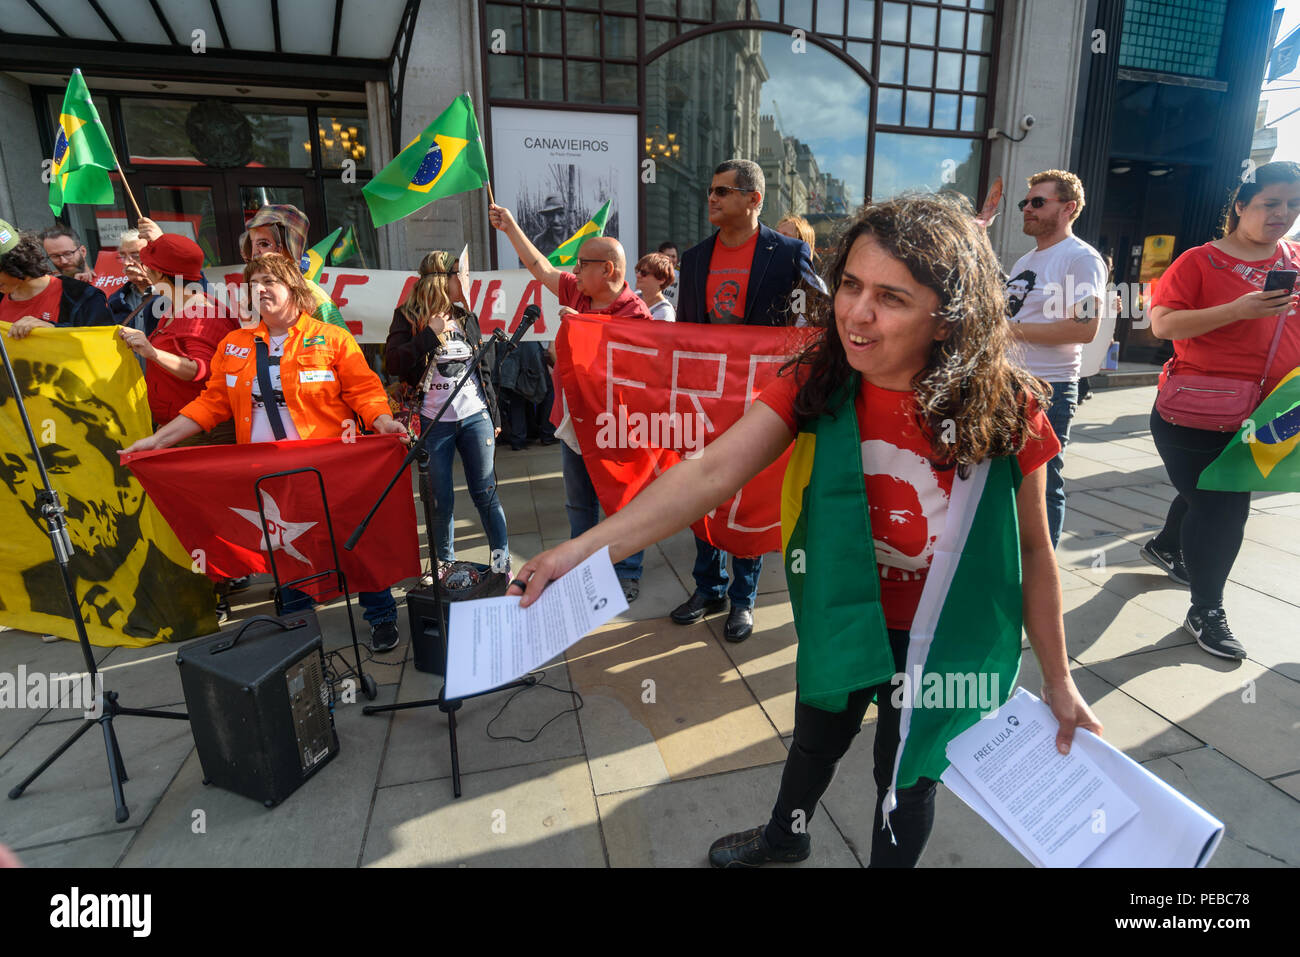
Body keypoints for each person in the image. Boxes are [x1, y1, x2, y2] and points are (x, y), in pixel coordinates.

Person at [506, 193, 1100, 867]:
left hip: (947, 636)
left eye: (892, 298)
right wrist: (578, 552)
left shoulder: (1007, 403)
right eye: (850, 285)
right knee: (815, 738)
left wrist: (1058, 676)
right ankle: (784, 835)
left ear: (946, 318)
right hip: (845, 607)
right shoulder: (818, 379)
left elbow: (1032, 547)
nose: (857, 312)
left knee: (906, 773)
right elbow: (709, 471)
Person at [120, 253, 409, 651]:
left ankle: (380, 616)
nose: (261, 290)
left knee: (350, 545)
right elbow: (210, 404)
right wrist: (157, 441)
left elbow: (364, 392)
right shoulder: (235, 344)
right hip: (267, 475)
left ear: (294, 288)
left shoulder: (331, 339)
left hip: (326, 469)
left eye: (270, 281)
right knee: (284, 550)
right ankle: (296, 633)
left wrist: (383, 422)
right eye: (253, 284)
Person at [1145, 160, 1300, 659]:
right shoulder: (1199, 261)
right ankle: (1205, 609)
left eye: (1294, 205)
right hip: (1198, 412)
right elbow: (1164, 326)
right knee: (1223, 508)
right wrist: (1239, 309)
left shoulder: (1296, 260)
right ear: (1240, 206)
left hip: (1276, 412)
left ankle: (1167, 545)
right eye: (1270, 203)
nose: (1282, 214)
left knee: (1206, 497)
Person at [674, 158, 824, 642]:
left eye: (723, 191)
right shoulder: (695, 258)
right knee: (700, 492)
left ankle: (743, 599)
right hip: (705, 398)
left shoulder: (788, 253)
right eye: (711, 191)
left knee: (748, 497)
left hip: (761, 400)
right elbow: (682, 334)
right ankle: (708, 587)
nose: (712, 199)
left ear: (753, 198)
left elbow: (819, 312)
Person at [489, 201, 651, 602]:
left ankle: (627, 571)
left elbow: (636, 369)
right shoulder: (577, 293)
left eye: (581, 265)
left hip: (617, 427)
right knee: (578, 503)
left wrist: (587, 327)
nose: (573, 272)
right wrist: (509, 227)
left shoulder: (636, 313)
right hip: (574, 421)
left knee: (623, 501)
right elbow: (541, 267)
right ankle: (585, 567)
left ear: (607, 270)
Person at [384, 250, 509, 579]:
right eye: (460, 275)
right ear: (444, 280)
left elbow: (483, 369)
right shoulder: (408, 316)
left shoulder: (465, 316)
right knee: (440, 500)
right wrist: (429, 336)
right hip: (432, 423)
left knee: (486, 492)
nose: (465, 281)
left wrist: (493, 416)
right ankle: (444, 566)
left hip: (474, 418)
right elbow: (393, 364)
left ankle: (501, 564)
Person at [1003, 169, 1107, 549]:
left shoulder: (1081, 259)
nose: (1027, 209)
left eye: (1038, 202)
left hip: (1048, 390)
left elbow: (1083, 328)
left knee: (1045, 483)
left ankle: (1041, 576)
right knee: (1010, 481)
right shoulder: (1026, 260)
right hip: (1008, 385)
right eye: (1025, 202)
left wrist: (1004, 332)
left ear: (1069, 208)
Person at [115, 234, 237, 435]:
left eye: (147, 266)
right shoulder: (176, 307)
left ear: (161, 275)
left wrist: (152, 352)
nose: (144, 270)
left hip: (200, 433)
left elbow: (201, 370)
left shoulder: (202, 314)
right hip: (180, 429)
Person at [1, 223, 113, 336]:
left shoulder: (83, 296)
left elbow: (104, 342)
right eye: (55, 256)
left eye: (68, 253)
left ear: (16, 263)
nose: (63, 261)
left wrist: (55, 330)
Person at [106, 228, 167, 334]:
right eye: (122, 256)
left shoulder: (174, 293)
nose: (127, 263)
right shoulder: (117, 300)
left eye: (135, 255)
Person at [635, 252, 676, 321]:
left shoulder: (665, 313)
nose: (638, 275)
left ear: (661, 279)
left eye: (644, 273)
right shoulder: (634, 298)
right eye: (638, 271)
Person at [657, 241, 680, 308]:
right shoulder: (651, 276)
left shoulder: (682, 277)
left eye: (673, 256)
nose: (670, 259)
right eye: (667, 256)